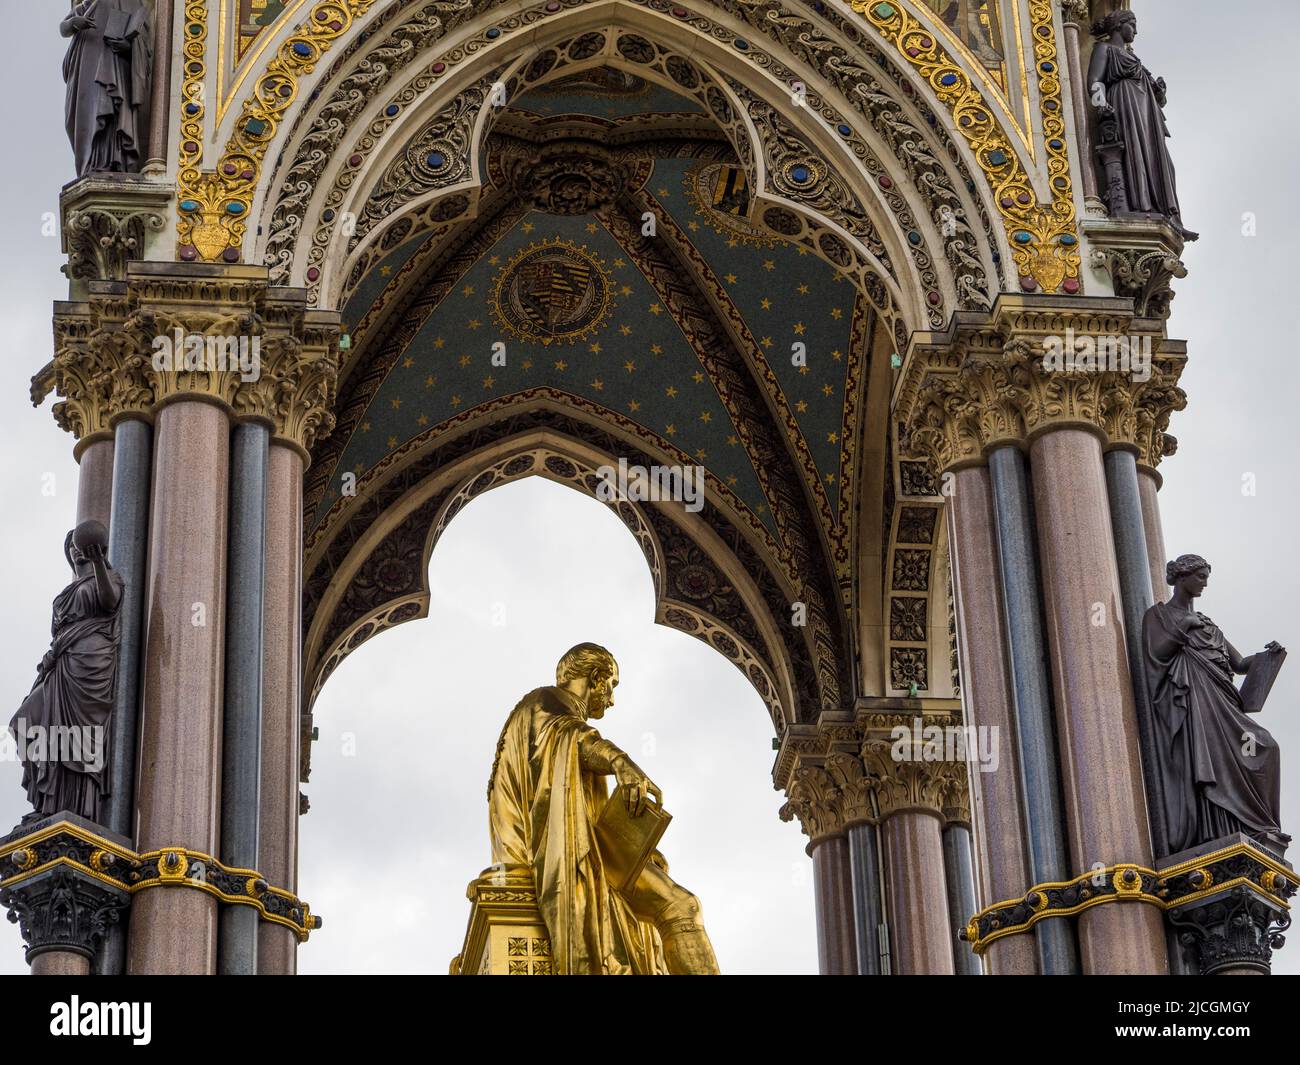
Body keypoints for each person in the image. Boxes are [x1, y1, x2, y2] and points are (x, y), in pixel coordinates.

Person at [486, 642, 720, 973]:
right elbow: (573, 736)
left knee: (682, 906)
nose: (610, 700)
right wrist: (619, 762)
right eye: (611, 687)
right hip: (565, 857)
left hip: (587, 850)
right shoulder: (544, 702)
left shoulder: (541, 713)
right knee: (681, 906)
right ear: (597, 677)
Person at [1143, 555, 1287, 853]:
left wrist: (1267, 656)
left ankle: (1255, 825)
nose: (1205, 583)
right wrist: (1183, 627)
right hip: (1194, 697)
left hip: (1222, 699)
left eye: (1206, 577)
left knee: (1266, 746)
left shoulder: (1209, 625)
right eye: (1201, 577)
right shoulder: (1159, 616)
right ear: (1182, 577)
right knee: (1208, 757)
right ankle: (1217, 827)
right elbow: (1156, 653)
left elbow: (1239, 663)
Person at [10, 522, 123, 824]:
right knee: (26, 719)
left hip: (91, 661)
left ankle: (77, 808)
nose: (75, 551)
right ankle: (48, 801)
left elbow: (110, 601)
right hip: (61, 662)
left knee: (81, 734)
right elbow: (58, 632)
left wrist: (99, 561)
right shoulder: (66, 592)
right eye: (70, 547)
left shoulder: (109, 577)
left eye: (79, 545)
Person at [1088, 10, 1196, 240]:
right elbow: (1095, 81)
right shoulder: (1105, 49)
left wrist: (1159, 92)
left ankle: (1170, 216)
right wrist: (1101, 105)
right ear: (1118, 26)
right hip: (1125, 104)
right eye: (1132, 25)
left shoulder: (1134, 59)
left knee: (1159, 161)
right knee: (1136, 154)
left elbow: (1155, 94)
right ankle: (1141, 207)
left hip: (1146, 112)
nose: (1135, 31)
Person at [62, 0, 152, 176]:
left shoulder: (133, 4)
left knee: (112, 113)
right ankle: (91, 162)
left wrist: (130, 46)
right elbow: (64, 27)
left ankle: (114, 161)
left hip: (115, 69)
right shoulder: (86, 6)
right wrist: (74, 23)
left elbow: (144, 39)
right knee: (88, 114)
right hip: (87, 70)